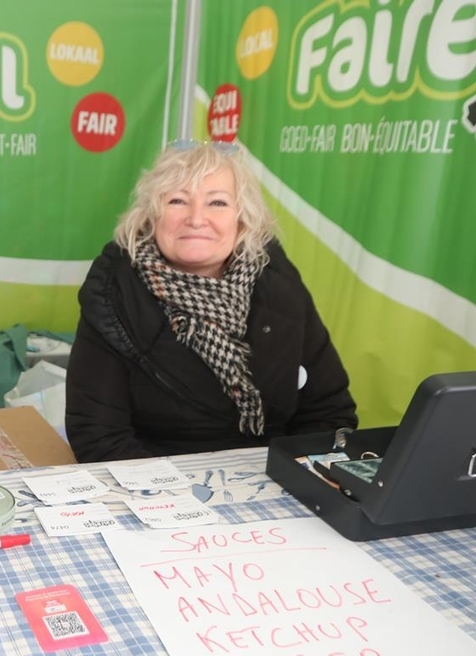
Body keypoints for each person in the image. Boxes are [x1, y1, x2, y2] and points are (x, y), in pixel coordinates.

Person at [66, 140, 358, 461]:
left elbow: (328, 411)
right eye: (178, 200)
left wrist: (297, 472)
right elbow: (98, 436)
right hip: (158, 474)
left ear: (242, 218)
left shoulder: (278, 281)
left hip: (272, 471)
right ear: (151, 217)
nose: (196, 219)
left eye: (217, 202)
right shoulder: (114, 290)